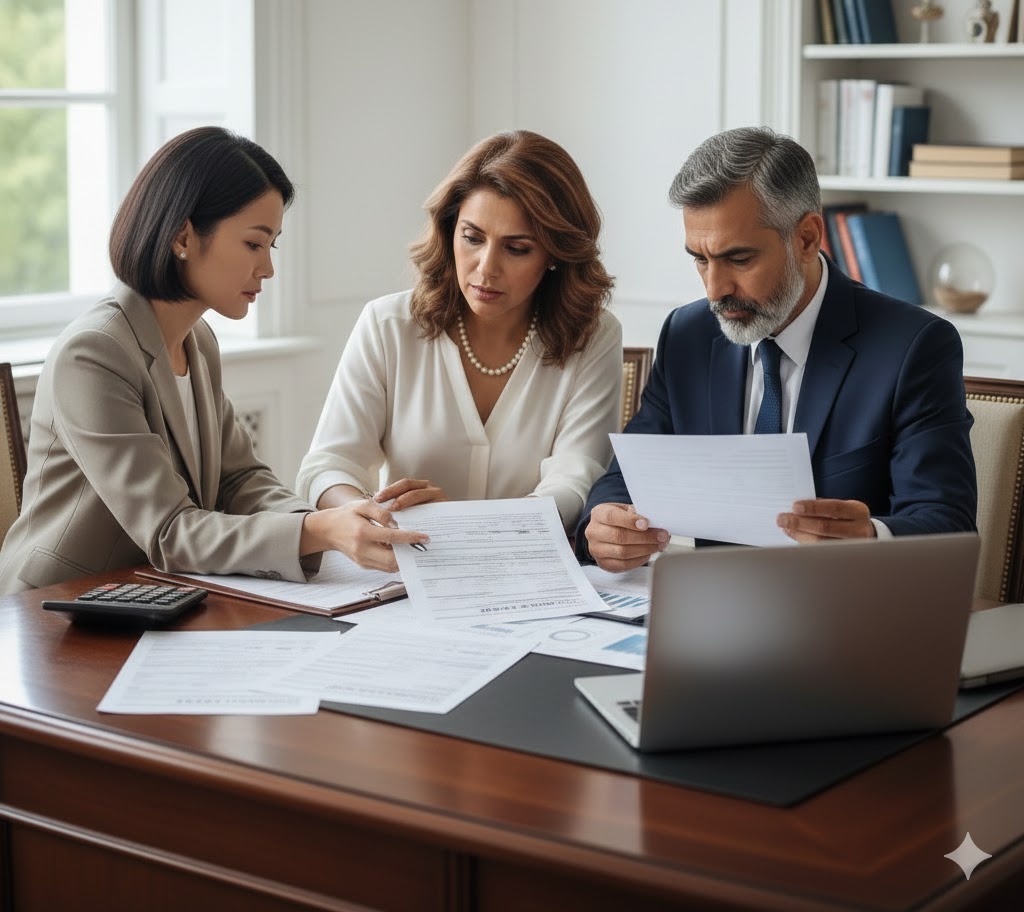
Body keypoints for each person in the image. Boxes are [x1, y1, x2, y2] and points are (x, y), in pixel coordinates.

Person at [0, 127, 427, 595]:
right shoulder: (93, 354)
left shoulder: (197, 341)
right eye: (253, 244)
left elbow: (239, 478)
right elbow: (169, 532)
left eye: (272, 246)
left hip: (151, 594)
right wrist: (317, 533)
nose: (267, 269)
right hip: (56, 610)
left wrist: (326, 521)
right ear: (183, 235)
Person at [578, 125, 977, 572]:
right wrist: (605, 523)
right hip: (714, 610)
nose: (715, 289)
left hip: (846, 615)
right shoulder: (688, 334)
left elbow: (947, 524)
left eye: (739, 259)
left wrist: (869, 538)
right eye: (699, 258)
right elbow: (628, 475)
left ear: (806, 238)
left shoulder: (913, 347)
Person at [297, 129, 622, 553]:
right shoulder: (387, 324)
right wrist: (367, 518)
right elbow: (328, 465)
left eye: (517, 248)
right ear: (450, 231)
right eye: (472, 238)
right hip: (404, 575)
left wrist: (465, 528)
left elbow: (573, 483)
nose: (486, 269)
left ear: (556, 254)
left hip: (525, 575)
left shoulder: (594, 335)